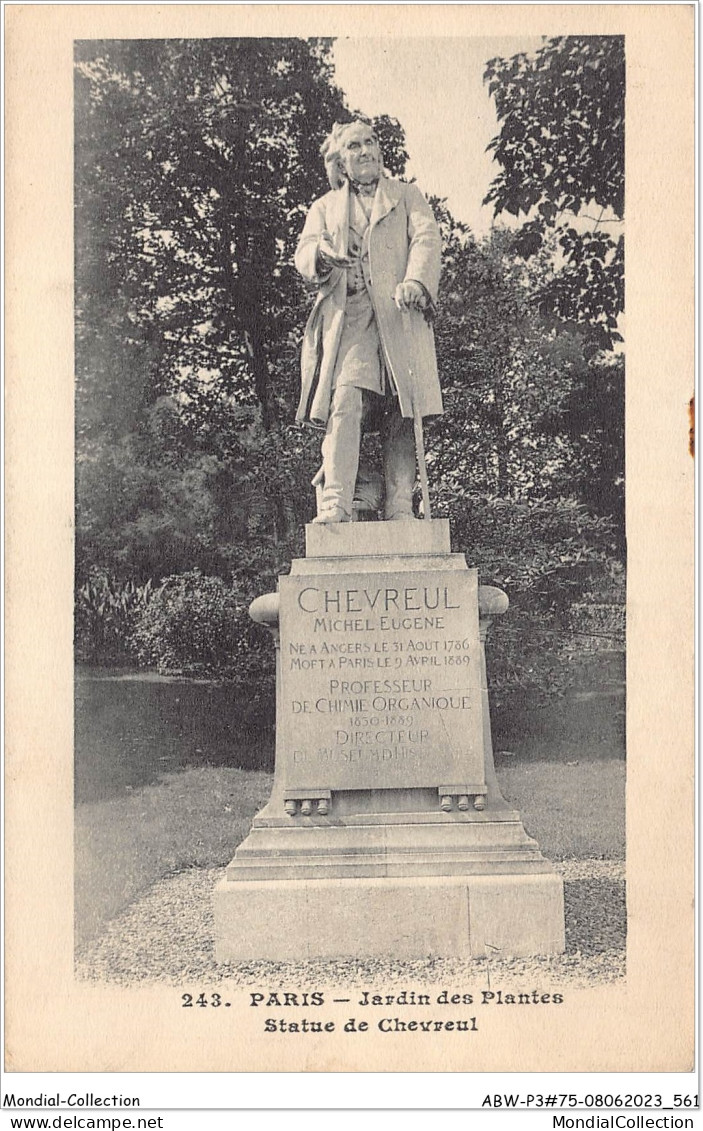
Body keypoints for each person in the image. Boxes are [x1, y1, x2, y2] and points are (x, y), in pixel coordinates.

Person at [295, 120, 443, 523]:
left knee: (403, 409)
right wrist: (323, 256)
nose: (366, 151)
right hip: (351, 320)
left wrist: (415, 280)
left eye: (371, 142)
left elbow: (427, 239)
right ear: (341, 162)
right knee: (345, 400)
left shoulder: (407, 196)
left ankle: (399, 504)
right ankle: (336, 501)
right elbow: (306, 252)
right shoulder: (325, 207)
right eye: (355, 146)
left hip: (398, 317)